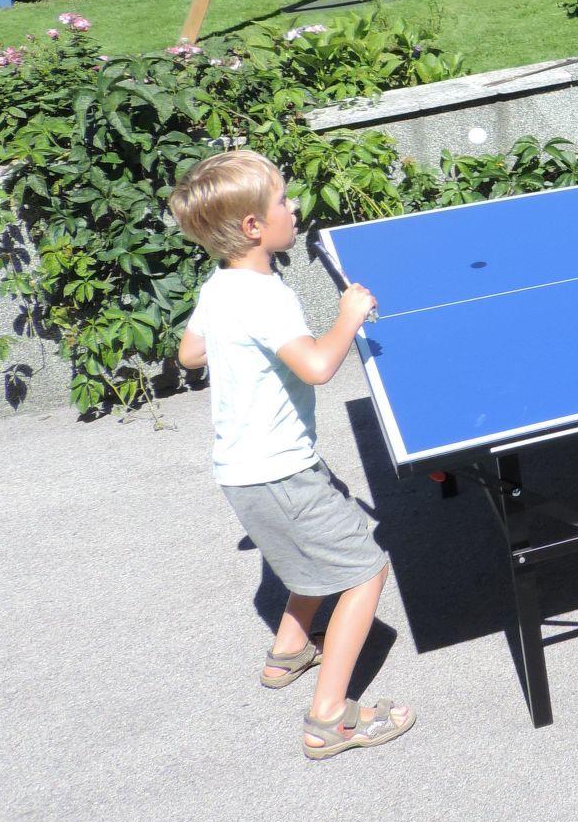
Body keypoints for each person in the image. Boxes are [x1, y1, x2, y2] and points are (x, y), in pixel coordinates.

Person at [168, 149, 416, 758]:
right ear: (254, 225)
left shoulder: (220, 287)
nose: (294, 206)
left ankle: (289, 650)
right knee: (365, 570)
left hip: (245, 469)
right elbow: (318, 366)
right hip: (279, 469)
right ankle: (329, 719)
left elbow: (189, 354)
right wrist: (347, 316)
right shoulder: (267, 297)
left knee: (318, 543)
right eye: (282, 200)